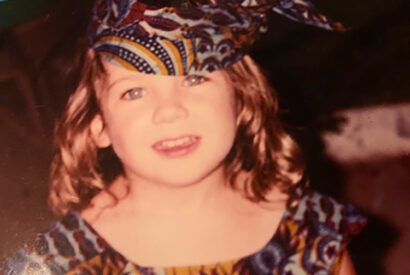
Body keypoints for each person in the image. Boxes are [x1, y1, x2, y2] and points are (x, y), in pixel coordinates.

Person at [3, 0, 366, 274]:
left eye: (194, 78)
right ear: (99, 128)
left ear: (242, 99)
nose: (170, 110)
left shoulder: (308, 234)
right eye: (134, 92)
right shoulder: (63, 259)